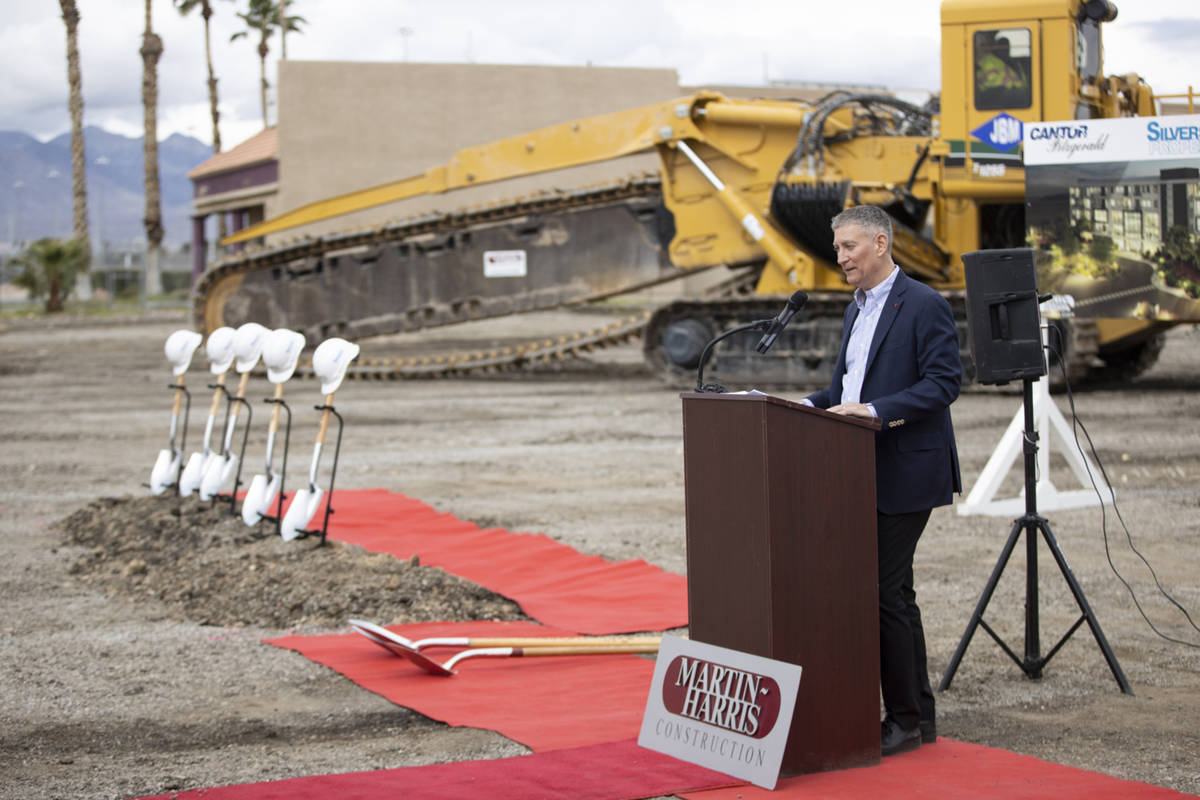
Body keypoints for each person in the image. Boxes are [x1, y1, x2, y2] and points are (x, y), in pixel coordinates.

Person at [802, 205, 962, 757]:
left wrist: (875, 411)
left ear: (880, 243)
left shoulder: (924, 304)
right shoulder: (856, 309)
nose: (840, 257)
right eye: (838, 248)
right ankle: (918, 715)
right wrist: (791, 405)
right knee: (894, 593)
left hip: (908, 469)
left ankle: (905, 720)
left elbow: (944, 384)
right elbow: (839, 391)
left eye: (849, 247)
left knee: (882, 592)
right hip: (859, 470)